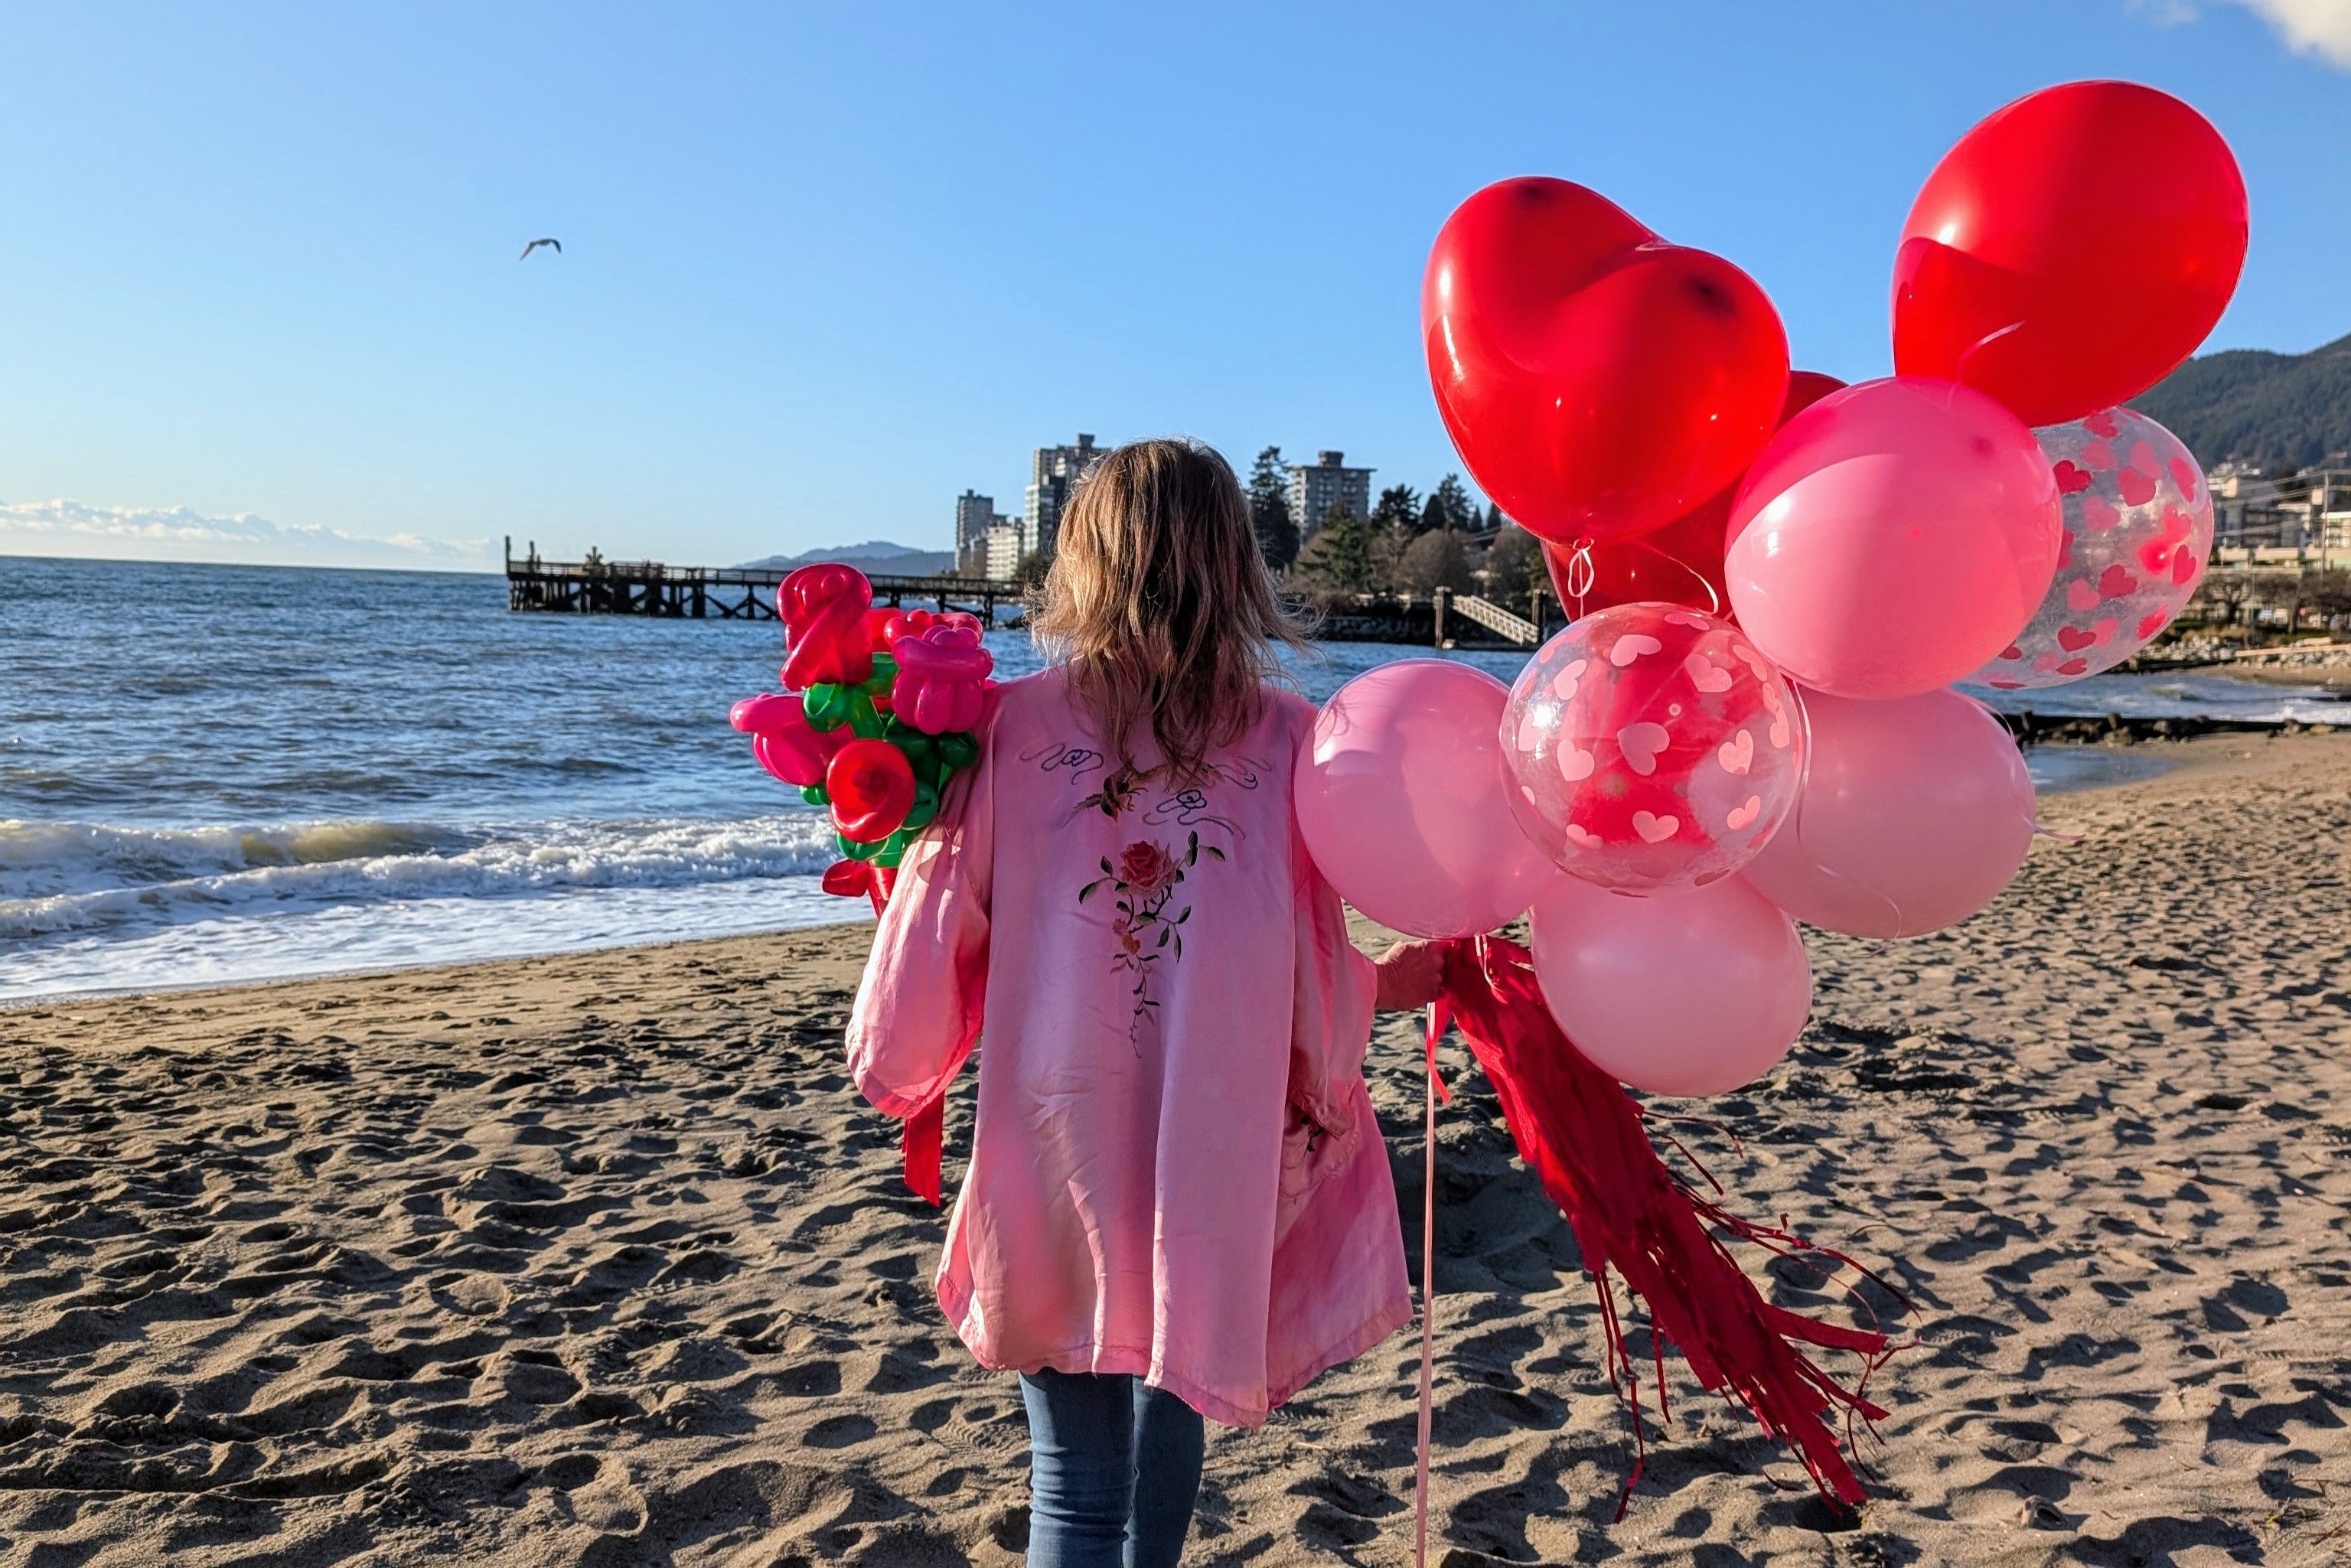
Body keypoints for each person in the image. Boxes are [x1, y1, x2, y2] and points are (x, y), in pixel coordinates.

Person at [847, 437, 1443, 1567]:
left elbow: (935, 927)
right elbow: (1312, 966)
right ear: (1238, 565)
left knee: (1072, 1492)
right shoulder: (1288, 741)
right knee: (1167, 1448)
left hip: (1052, 1138)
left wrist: (900, 1053)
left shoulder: (1011, 731)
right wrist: (1342, 1054)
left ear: (1085, 558)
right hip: (1212, 1156)